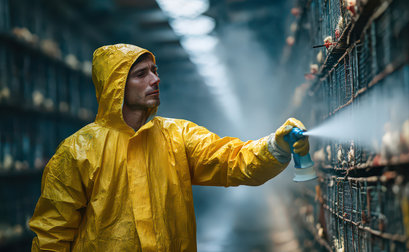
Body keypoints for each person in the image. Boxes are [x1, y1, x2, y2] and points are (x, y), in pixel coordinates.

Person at [29, 44, 310, 251]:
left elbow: (231, 160)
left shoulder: (178, 135)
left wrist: (276, 145)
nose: (155, 79)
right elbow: (53, 233)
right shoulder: (78, 150)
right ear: (115, 87)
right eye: (141, 74)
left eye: (154, 70)